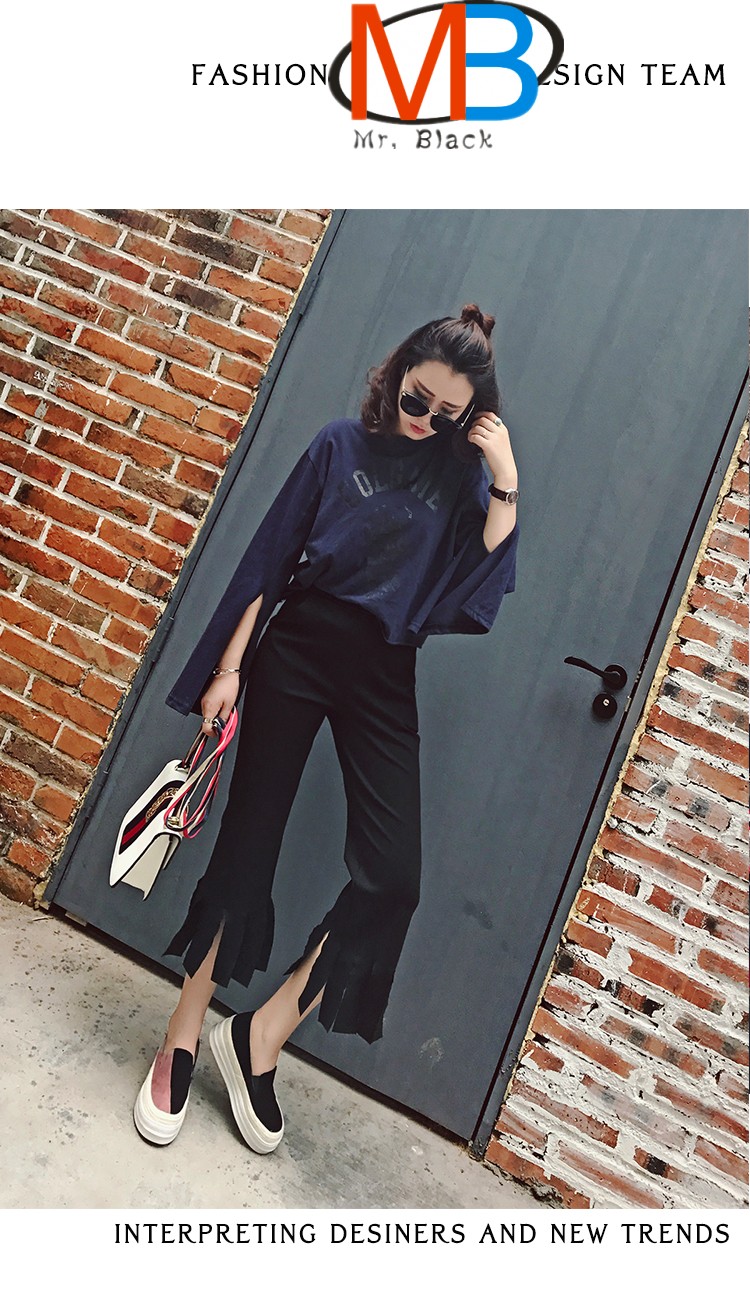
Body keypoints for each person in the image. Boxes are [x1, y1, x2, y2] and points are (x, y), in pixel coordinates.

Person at [133, 303, 520, 1152]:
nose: (424, 422)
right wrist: (229, 669)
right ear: (400, 372)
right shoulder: (338, 445)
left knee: (394, 877)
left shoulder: (461, 479)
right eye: (417, 400)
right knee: (248, 844)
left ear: (469, 418)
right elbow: (269, 561)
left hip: (384, 670)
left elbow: (481, 577)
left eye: (447, 415)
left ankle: (260, 1035)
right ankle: (182, 1034)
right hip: (300, 647)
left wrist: (504, 476)